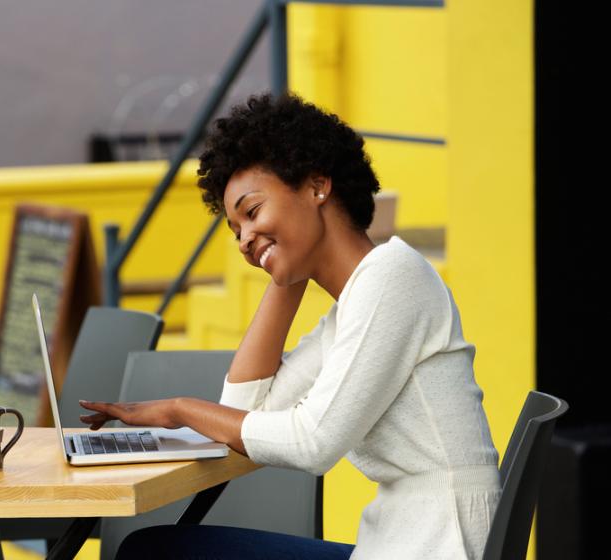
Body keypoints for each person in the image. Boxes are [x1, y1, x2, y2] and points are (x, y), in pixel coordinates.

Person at [79, 92, 501, 559]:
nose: (244, 239)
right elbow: (245, 410)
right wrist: (286, 272)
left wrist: (180, 409)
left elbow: (313, 443)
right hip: (398, 542)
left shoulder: (392, 278)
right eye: (236, 231)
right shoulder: (352, 306)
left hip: (440, 544)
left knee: (157, 554)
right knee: (157, 549)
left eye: (252, 212)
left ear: (317, 186)